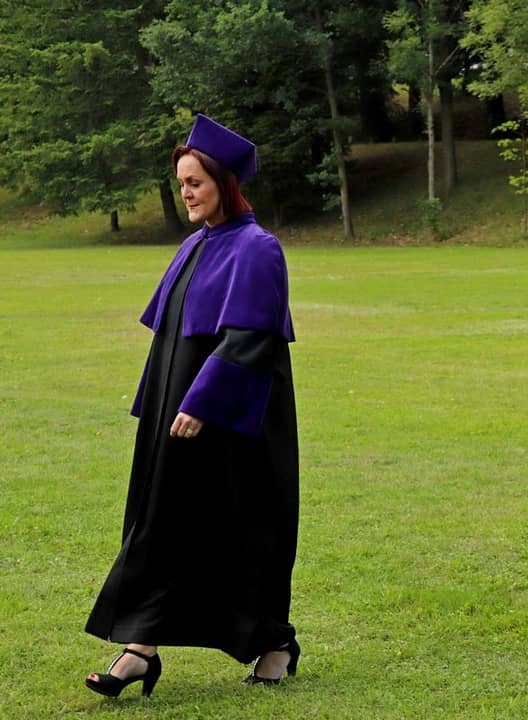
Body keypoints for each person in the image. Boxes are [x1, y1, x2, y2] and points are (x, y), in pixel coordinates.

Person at [84, 114, 301, 697]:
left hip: (234, 422)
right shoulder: (193, 246)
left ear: (224, 183)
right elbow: (170, 339)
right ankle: (140, 649)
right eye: (181, 183)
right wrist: (157, 405)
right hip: (177, 417)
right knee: (159, 523)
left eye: (195, 183)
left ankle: (276, 644)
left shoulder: (258, 248)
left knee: (242, 530)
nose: (185, 193)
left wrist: (203, 402)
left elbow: (250, 339)